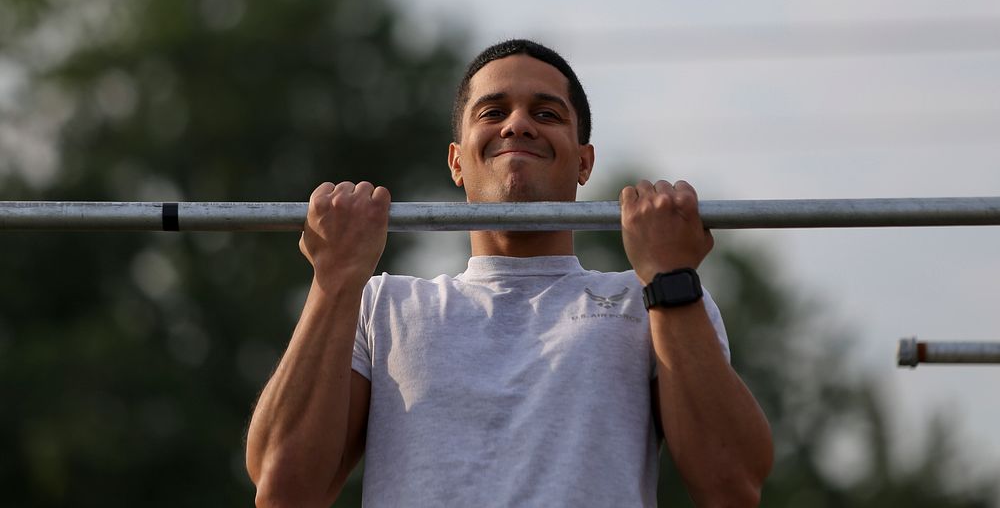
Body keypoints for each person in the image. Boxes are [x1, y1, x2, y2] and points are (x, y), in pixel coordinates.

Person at [246, 40, 773, 507]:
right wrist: (334, 279)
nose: (517, 124)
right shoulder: (381, 306)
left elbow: (731, 487)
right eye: (493, 110)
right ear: (456, 161)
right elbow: (283, 489)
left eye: (546, 114)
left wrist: (670, 275)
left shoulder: (650, 299)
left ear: (585, 162)